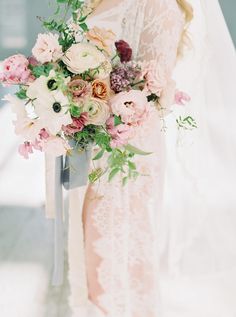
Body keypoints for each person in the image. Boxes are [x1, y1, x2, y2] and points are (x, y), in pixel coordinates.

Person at [67, 1, 193, 316]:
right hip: (108, 146)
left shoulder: (155, 7)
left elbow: (148, 89)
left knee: (113, 252)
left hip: (120, 152)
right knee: (106, 254)